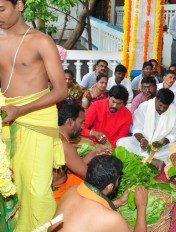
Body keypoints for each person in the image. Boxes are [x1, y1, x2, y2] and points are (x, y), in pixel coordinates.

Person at [0, 0, 67, 230]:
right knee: (11, 186)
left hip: (36, 119)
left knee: (37, 192)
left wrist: (20, 110)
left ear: (19, 4)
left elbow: (61, 90)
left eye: (1, 9)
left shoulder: (40, 41)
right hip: (6, 120)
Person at [50, 155, 148, 232]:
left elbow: (89, 212)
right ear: (110, 187)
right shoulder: (113, 219)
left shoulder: (72, 190)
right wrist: (141, 206)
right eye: (118, 179)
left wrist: (119, 202)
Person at [54, 104, 110, 203]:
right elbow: (87, 174)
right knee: (90, 187)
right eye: (81, 122)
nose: (83, 126)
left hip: (57, 184)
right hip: (55, 193)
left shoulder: (55, 134)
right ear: (70, 122)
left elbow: (73, 165)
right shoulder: (64, 145)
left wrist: (94, 153)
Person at [117, 89, 176, 169]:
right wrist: (142, 139)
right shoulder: (144, 106)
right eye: (160, 105)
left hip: (161, 148)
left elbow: (175, 134)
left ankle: (144, 158)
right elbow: (137, 127)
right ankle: (153, 160)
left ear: (170, 105)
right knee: (121, 142)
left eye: (165, 107)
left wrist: (162, 142)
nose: (162, 109)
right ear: (156, 99)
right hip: (141, 144)